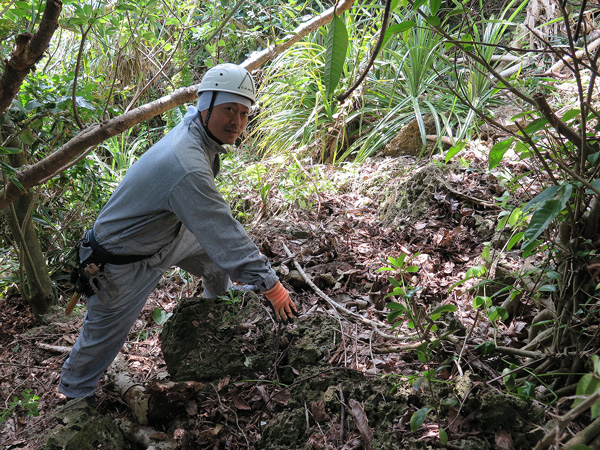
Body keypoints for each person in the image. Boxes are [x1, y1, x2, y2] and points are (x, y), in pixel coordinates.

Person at [59, 63, 298, 399]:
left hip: (163, 238)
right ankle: (73, 395)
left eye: (244, 113)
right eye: (229, 109)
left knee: (214, 253)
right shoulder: (186, 163)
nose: (237, 122)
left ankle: (217, 304)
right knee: (102, 340)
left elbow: (217, 236)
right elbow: (223, 229)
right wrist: (270, 284)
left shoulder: (196, 133)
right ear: (205, 104)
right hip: (118, 263)